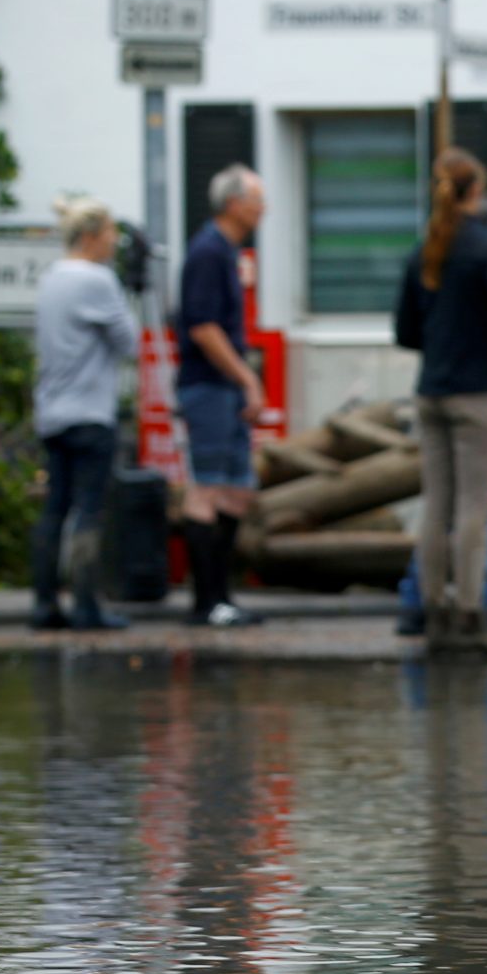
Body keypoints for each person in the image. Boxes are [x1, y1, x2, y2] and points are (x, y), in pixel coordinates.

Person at [394, 186, 487, 640]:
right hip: (480, 395)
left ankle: (420, 602)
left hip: (432, 390)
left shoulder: (430, 248)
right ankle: (484, 607)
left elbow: (407, 329)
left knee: (436, 508)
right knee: (485, 509)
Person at [29, 197, 140, 630]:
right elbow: (128, 343)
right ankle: (86, 605)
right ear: (92, 236)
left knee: (54, 507)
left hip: (52, 411)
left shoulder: (51, 278)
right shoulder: (97, 280)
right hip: (90, 411)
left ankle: (43, 603)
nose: (115, 241)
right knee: (90, 510)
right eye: (111, 232)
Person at [178, 164, 270, 628]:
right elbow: (202, 327)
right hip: (210, 386)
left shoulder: (227, 252)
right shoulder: (209, 253)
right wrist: (247, 378)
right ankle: (206, 601)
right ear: (234, 204)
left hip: (224, 386)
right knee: (208, 487)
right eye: (257, 200)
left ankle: (221, 597)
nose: (263, 209)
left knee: (235, 491)